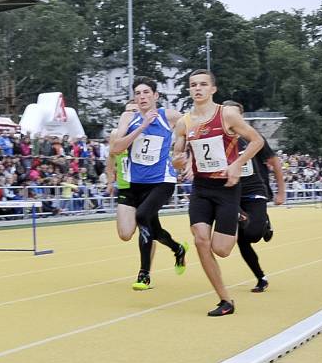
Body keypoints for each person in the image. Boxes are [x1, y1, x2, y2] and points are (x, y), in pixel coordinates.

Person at [172, 70, 263, 316]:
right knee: (201, 240)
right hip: (201, 188)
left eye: (203, 84)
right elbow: (177, 157)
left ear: (213, 89)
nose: (198, 88)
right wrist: (179, 162)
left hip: (227, 188)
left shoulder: (228, 115)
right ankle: (225, 300)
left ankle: (237, 216)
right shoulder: (184, 123)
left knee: (221, 249)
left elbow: (257, 141)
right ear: (189, 90)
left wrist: (237, 163)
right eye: (193, 85)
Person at [110, 79, 187, 291]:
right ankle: (178, 248)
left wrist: (182, 153)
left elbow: (190, 128)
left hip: (162, 181)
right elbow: (116, 147)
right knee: (136, 231)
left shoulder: (167, 116)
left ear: (155, 96)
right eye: (138, 93)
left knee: (142, 216)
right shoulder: (128, 117)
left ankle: (144, 274)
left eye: (146, 92)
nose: (142, 96)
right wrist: (142, 126)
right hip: (135, 183)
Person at [222, 100, 286, 292]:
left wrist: (281, 191)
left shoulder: (252, 137)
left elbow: (274, 162)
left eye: (233, 114)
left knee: (252, 235)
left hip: (255, 192)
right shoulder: (220, 140)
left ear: (240, 117)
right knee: (242, 241)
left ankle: (264, 223)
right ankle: (261, 278)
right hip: (233, 194)